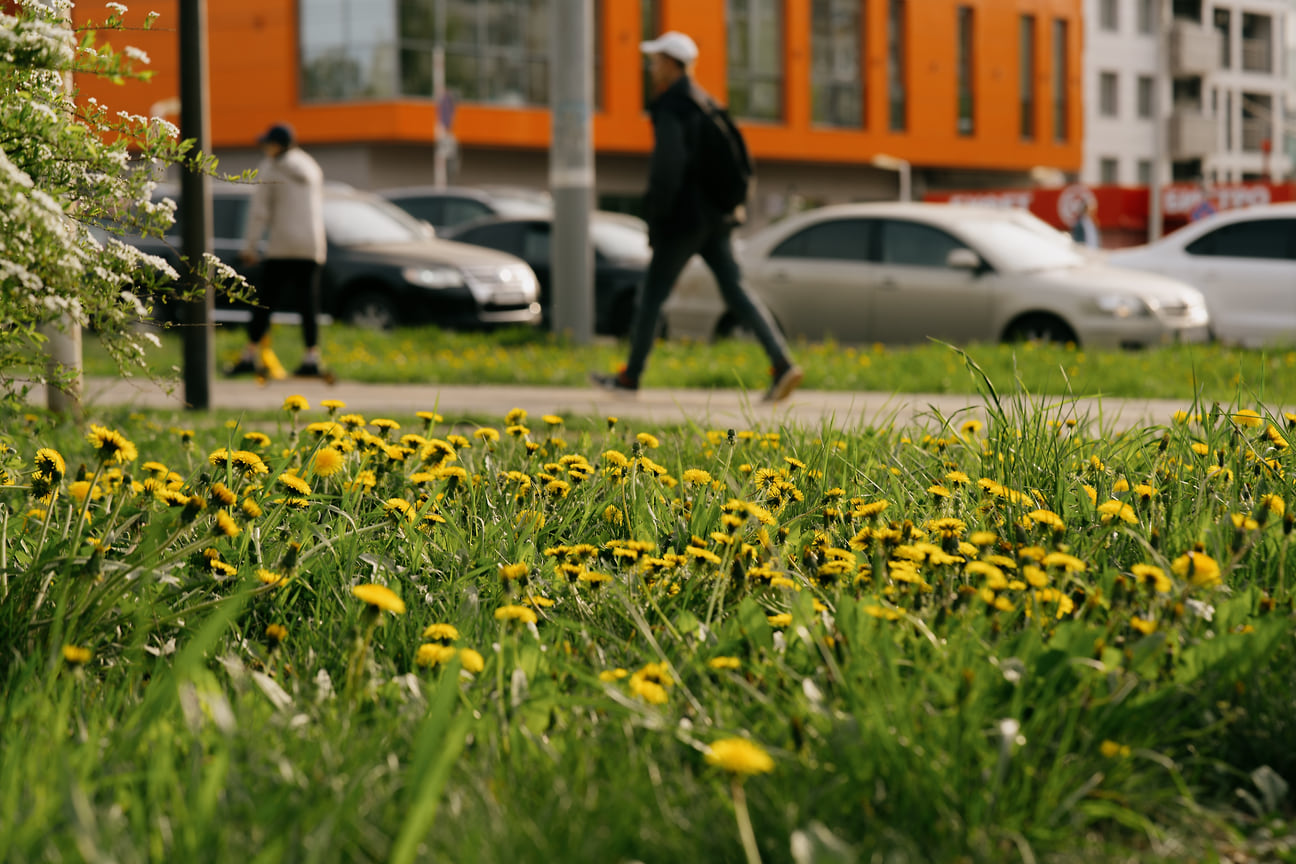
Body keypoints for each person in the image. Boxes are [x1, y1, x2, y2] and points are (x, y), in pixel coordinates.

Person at [591, 31, 803, 402]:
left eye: (656, 60)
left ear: (671, 64)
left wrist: (657, 217)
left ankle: (629, 378)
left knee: (651, 296)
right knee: (736, 291)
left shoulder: (674, 105)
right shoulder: (707, 103)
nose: (651, 66)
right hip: (716, 219)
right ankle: (782, 363)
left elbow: (668, 169)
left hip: (683, 220)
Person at [227, 123, 328, 377]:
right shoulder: (311, 167)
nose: (264, 147)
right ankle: (311, 358)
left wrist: (250, 247)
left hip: (282, 245)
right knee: (308, 304)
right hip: (311, 246)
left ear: (277, 145)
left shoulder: (271, 168)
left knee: (265, 302)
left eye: (268, 143)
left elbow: (259, 212)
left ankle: (249, 355)